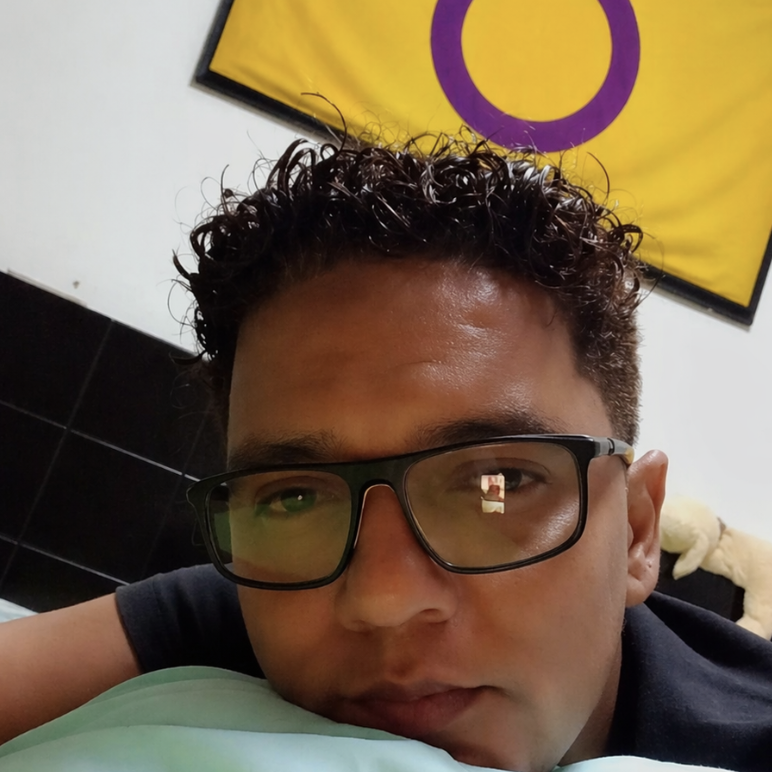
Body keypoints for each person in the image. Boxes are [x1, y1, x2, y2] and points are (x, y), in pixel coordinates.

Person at [1, 134, 771, 772]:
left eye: (498, 483)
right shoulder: (260, 596)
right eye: (294, 497)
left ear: (636, 531)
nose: (381, 601)